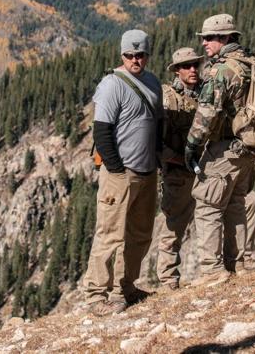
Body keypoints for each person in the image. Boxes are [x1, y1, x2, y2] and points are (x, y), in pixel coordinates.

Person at [83, 29, 163, 316]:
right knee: (110, 233)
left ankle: (125, 288)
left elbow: (158, 124)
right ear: (122, 55)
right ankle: (95, 295)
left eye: (140, 55)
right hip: (120, 172)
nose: (135, 60)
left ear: (147, 55)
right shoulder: (111, 85)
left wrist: (158, 159)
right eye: (130, 55)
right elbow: (101, 130)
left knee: (139, 233)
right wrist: (115, 169)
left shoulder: (153, 82)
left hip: (147, 170)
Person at [185, 13, 255, 286]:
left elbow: (208, 113)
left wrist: (192, 145)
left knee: (208, 205)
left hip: (224, 149)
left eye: (209, 38)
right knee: (236, 204)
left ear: (225, 38)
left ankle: (211, 271)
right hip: (248, 149)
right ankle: (239, 263)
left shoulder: (221, 70)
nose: (205, 43)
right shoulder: (252, 63)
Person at [157, 47, 203, 290]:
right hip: (177, 172)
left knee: (209, 222)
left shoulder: (206, 93)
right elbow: (156, 142)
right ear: (177, 70)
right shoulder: (166, 98)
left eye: (195, 64)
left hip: (204, 170)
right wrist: (176, 159)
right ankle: (168, 280)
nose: (193, 69)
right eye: (186, 66)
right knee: (173, 227)